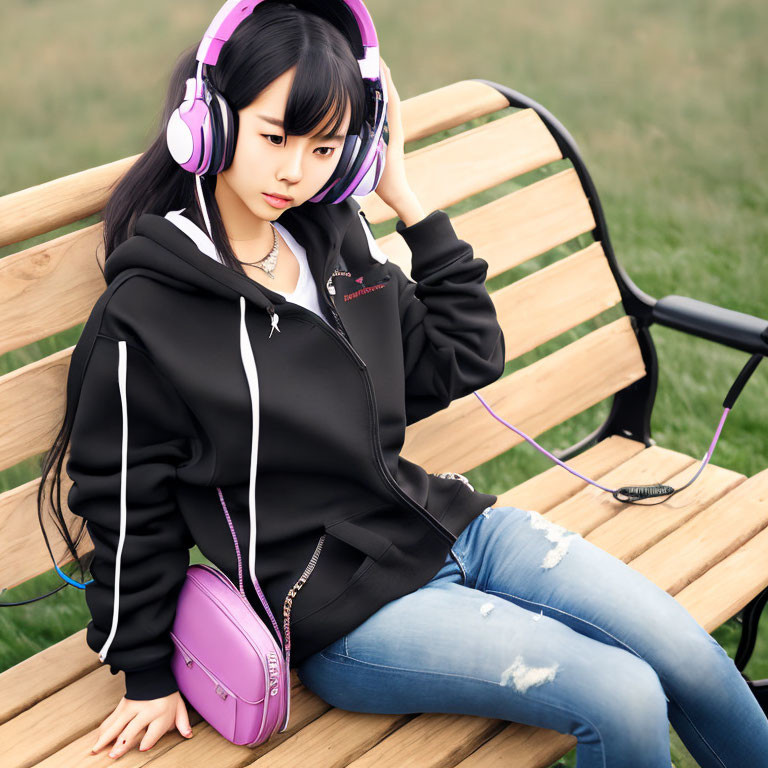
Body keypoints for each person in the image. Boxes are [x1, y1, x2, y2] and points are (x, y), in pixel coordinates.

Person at [37, 2, 768, 765]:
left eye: (326, 149)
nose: (296, 170)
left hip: (453, 527)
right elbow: (127, 503)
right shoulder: (148, 313)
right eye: (274, 136)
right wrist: (146, 676)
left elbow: (463, 355)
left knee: (690, 658)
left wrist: (408, 204)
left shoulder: (333, 236)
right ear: (210, 123)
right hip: (338, 608)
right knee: (621, 695)